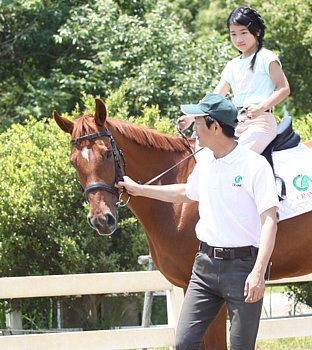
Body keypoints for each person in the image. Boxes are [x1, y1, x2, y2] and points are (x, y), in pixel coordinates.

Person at [119, 93, 278, 350]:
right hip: (204, 268)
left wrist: (258, 272)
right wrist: (139, 189)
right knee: (183, 344)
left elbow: (269, 221)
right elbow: (186, 193)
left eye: (199, 122)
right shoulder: (204, 160)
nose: (194, 129)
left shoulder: (255, 166)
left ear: (216, 127)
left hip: (243, 269)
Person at [177, 6, 291, 154]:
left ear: (257, 32)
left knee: (236, 158)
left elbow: (284, 88)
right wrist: (191, 117)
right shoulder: (232, 65)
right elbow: (215, 98)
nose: (238, 39)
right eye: (233, 34)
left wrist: (261, 107)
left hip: (260, 123)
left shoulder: (266, 57)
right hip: (235, 124)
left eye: (243, 33)